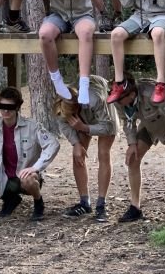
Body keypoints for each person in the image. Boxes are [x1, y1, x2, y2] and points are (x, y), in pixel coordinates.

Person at [18, 0, 97, 105]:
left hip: (82, 14)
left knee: (86, 32)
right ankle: (57, 80)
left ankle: (84, 83)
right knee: (44, 34)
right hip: (58, 14)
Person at [0, 87, 60, 220]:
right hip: (2, 176)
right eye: (2, 106)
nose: (5, 111)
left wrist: (35, 167)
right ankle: (10, 198)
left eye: (9, 107)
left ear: (17, 107)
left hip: (24, 176)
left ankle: (38, 202)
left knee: (28, 179)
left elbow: (53, 144)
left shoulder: (32, 126)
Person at [109, 72, 165, 222]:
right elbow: (127, 121)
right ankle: (135, 207)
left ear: (132, 93)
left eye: (121, 98)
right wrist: (132, 143)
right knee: (133, 158)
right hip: (150, 124)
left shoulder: (151, 92)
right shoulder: (118, 101)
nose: (118, 102)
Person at [53, 75, 119, 222]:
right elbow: (63, 123)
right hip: (82, 117)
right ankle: (84, 203)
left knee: (103, 153)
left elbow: (108, 126)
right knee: (77, 155)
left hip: (103, 116)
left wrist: (84, 127)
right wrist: (76, 143)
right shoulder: (61, 103)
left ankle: (101, 205)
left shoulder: (95, 99)